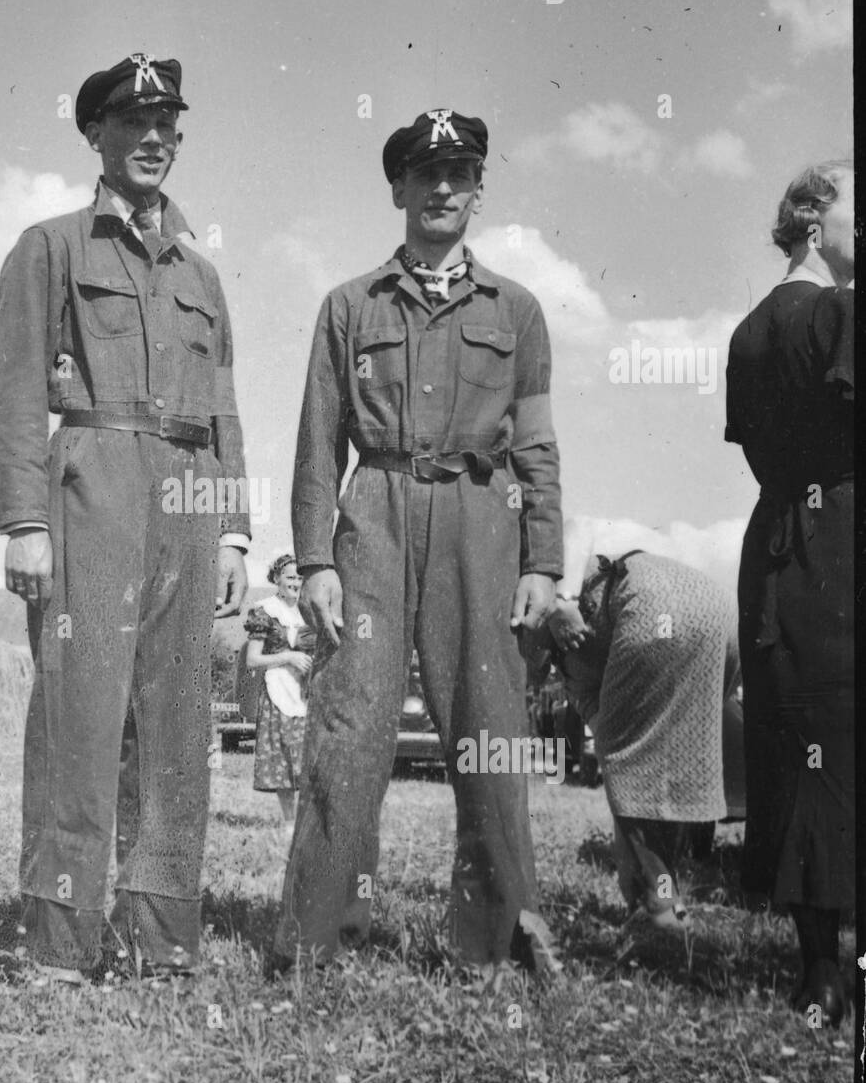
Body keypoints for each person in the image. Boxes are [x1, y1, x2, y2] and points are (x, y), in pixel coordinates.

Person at [0, 53, 250, 985]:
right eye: (133, 125)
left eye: (167, 126)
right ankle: (60, 944)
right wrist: (24, 520)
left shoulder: (202, 275)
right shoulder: (50, 246)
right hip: (91, 490)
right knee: (80, 718)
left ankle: (162, 940)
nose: (153, 141)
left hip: (186, 503)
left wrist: (236, 531)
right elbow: (13, 393)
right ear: (97, 134)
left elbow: (223, 411)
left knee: (175, 729)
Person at [276, 108, 564, 975]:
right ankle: (315, 940)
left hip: (482, 522)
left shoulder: (517, 312)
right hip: (378, 515)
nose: (444, 189)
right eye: (426, 174)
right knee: (349, 726)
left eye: (463, 174)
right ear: (399, 187)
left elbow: (538, 443)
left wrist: (544, 559)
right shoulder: (349, 305)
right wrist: (318, 559)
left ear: (480, 190)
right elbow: (318, 441)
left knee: (489, 728)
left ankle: (495, 939)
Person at [725, 159, 855, 1026]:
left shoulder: (746, 332)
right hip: (845, 537)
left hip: (776, 552)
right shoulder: (843, 314)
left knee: (809, 751)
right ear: (815, 223)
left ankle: (819, 975)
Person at [531, 531, 742, 943]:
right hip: (721, 613)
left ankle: (663, 911)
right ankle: (660, 895)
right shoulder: (570, 663)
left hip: (650, 607)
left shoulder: (541, 600)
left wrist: (559, 605)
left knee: (633, 772)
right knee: (670, 766)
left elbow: (618, 754)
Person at [243, 554, 315, 828]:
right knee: (285, 757)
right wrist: (288, 657)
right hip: (277, 690)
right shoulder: (264, 610)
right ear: (276, 579)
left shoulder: (311, 609)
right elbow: (253, 659)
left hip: (309, 692)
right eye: (289, 577)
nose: (295, 583)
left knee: (310, 756)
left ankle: (310, 824)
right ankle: (289, 823)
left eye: (299, 577)